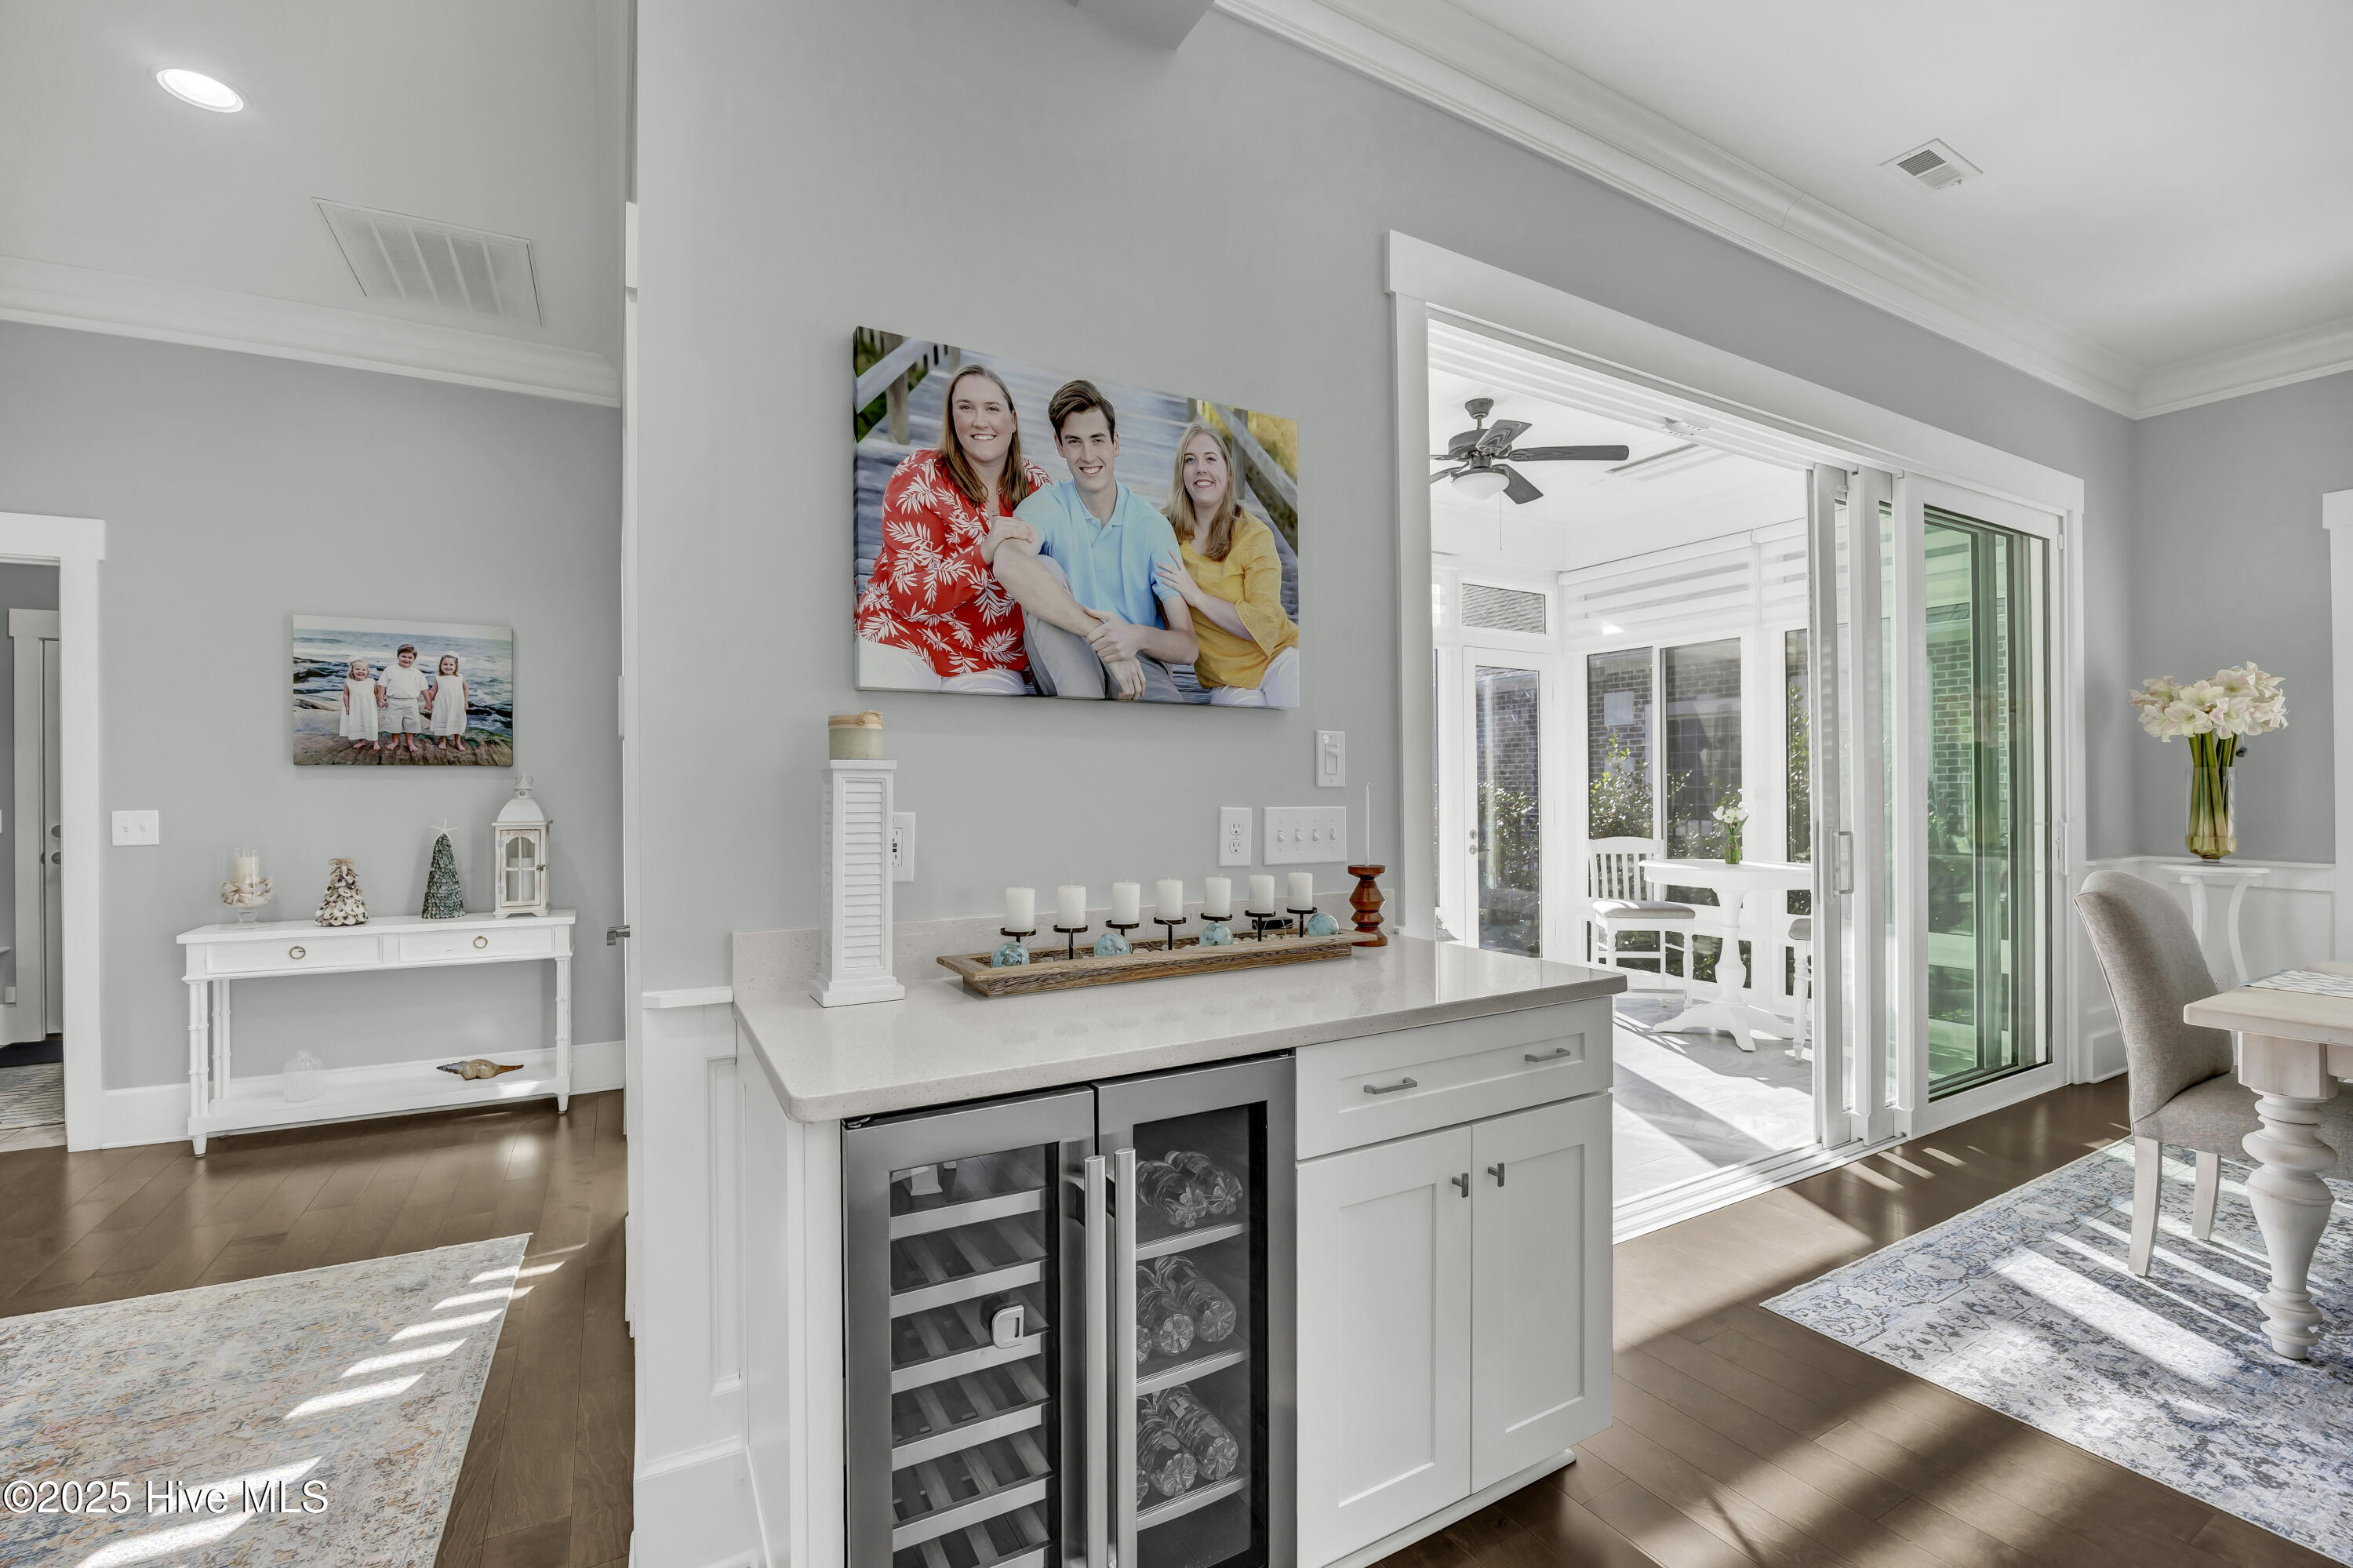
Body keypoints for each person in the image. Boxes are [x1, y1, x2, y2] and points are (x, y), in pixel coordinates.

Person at [989, 380, 1196, 701]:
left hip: (1138, 662)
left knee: (1170, 719)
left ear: (1116, 443)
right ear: (1059, 446)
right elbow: (1007, 563)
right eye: (1074, 442)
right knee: (1040, 567)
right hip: (1069, 649)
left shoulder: (1152, 526)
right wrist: (1100, 635)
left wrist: (1133, 638)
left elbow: (1188, 646)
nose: (1087, 455)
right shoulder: (1047, 504)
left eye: (1097, 440)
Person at [856, 363, 1052, 694]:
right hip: (904, 637)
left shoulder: (1037, 485)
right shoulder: (919, 475)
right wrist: (984, 553)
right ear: (952, 419)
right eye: (966, 407)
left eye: (992, 408)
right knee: (881, 709)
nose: (980, 421)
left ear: (1014, 420)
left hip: (991, 658)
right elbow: (908, 597)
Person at [1152, 422, 1300, 707]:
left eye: (1210, 459)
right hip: (1226, 680)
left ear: (1229, 472)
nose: (1200, 468)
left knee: (1296, 706)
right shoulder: (1163, 533)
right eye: (1190, 460)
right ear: (1181, 473)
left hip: (1277, 657)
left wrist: (1197, 597)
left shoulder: (1254, 536)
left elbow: (1265, 626)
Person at [375, 643, 431, 758]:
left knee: (411, 722)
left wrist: (428, 702)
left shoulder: (417, 673)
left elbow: (424, 688)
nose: (407, 659)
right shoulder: (390, 669)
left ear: (414, 659)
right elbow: (382, 685)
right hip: (393, 701)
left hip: (411, 702)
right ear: (398, 656)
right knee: (394, 722)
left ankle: (410, 742)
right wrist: (380, 699)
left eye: (410, 657)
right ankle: (395, 741)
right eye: (404, 656)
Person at [428, 653, 470, 755]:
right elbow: (433, 691)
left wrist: (466, 702)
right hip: (443, 705)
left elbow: (465, 689)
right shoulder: (438, 677)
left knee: (458, 721)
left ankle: (457, 742)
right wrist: (429, 702)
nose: (448, 666)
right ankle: (443, 741)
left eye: (451, 665)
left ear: (456, 666)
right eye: (445, 664)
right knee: (443, 720)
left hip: (457, 704)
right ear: (441, 665)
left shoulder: (460, 677)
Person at [339, 660, 380, 754]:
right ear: (352, 671)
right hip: (355, 707)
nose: (360, 671)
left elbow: (377, 694)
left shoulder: (372, 682)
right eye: (357, 669)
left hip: (369, 708)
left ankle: (375, 742)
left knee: (371, 723)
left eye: (363, 669)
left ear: (367, 671)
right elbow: (346, 695)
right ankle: (362, 741)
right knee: (359, 722)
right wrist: (347, 706)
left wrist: (381, 701)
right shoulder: (348, 682)